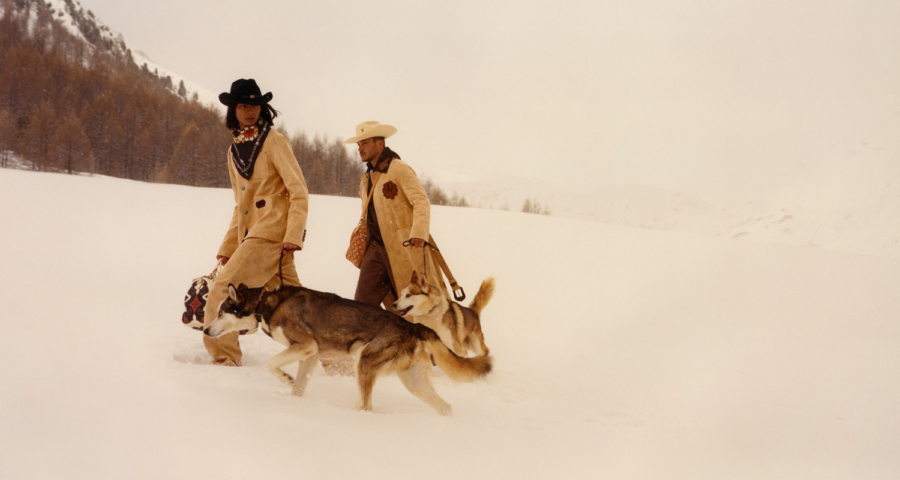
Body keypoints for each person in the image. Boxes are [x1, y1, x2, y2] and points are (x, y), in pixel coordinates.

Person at [202, 79, 309, 366]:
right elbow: (241, 205)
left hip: (274, 232)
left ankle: (225, 358)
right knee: (295, 304)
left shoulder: (274, 142)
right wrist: (228, 246)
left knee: (223, 289)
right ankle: (333, 360)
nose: (250, 111)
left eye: (255, 105)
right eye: (243, 105)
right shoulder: (233, 151)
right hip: (253, 234)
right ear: (233, 110)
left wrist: (293, 235)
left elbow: (298, 191)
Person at [344, 121, 446, 310]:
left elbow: (421, 200)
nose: (360, 148)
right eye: (358, 144)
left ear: (380, 144)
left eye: (364, 143)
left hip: (403, 247)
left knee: (414, 305)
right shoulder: (366, 178)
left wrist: (419, 232)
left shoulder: (398, 168)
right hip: (375, 248)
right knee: (362, 303)